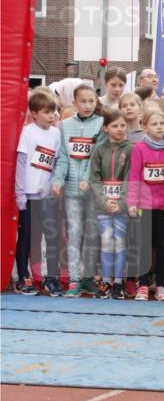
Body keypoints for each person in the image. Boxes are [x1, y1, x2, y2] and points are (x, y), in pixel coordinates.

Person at [52, 83, 104, 297]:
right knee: (74, 233)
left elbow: (96, 157)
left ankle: (88, 277)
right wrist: (57, 180)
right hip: (72, 190)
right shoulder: (65, 126)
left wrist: (87, 179)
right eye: (83, 101)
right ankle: (74, 278)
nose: (87, 105)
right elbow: (63, 156)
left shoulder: (101, 124)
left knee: (92, 234)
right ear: (74, 103)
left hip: (91, 191)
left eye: (91, 101)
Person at [14, 89, 61, 295]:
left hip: (48, 196)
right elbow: (21, 164)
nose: (51, 116)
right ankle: (23, 277)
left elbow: (57, 162)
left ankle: (52, 277)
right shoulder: (28, 132)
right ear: (34, 113)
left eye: (53, 111)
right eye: (46, 112)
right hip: (30, 195)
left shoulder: (56, 133)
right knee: (26, 236)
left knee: (52, 236)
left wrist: (54, 183)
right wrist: (20, 194)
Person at [127, 109, 164, 301]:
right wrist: (132, 202)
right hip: (144, 206)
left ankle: (162, 285)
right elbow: (134, 177)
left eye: (162, 123)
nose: (159, 127)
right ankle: (144, 283)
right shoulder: (139, 148)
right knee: (144, 247)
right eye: (154, 124)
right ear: (144, 127)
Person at [89, 109, 133, 299]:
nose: (119, 129)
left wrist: (121, 202)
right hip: (103, 206)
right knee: (107, 241)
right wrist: (105, 201)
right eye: (114, 126)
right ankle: (106, 282)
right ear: (105, 128)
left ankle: (118, 282)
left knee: (120, 241)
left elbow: (131, 178)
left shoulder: (131, 149)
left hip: (122, 206)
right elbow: (94, 179)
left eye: (123, 125)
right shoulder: (99, 150)